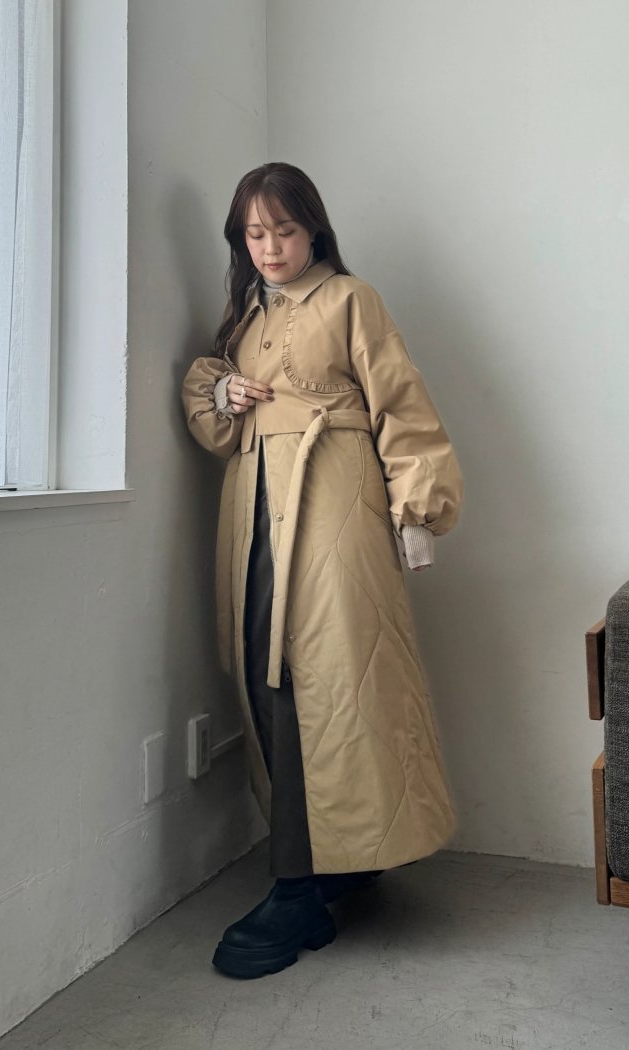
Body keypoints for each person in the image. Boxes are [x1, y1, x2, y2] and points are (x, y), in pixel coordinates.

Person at [181, 162, 463, 980]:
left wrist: (417, 510)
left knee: (331, 678)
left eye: (284, 230)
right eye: (254, 234)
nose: (270, 248)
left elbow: (400, 403)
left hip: (334, 501)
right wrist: (228, 394)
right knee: (262, 672)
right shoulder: (245, 317)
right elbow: (213, 419)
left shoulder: (350, 299)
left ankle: (302, 884)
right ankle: (328, 860)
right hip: (254, 508)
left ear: (314, 230)